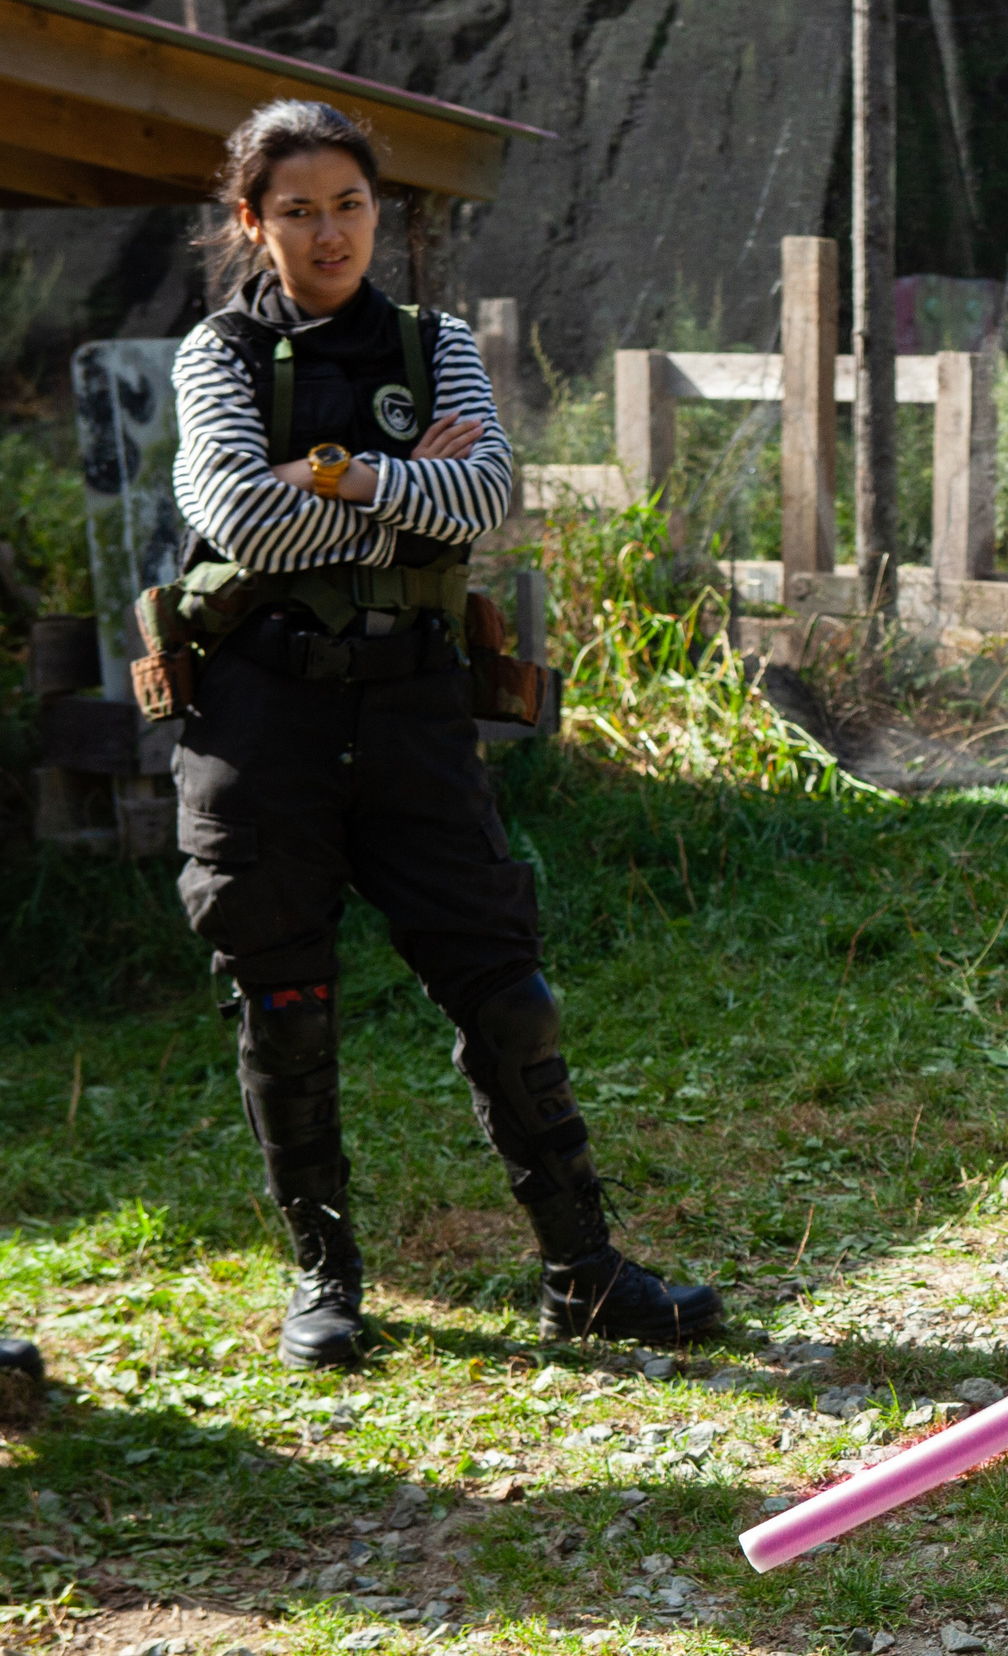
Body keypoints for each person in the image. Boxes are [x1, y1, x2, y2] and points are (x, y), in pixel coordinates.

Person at [165, 100, 721, 1368]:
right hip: (264, 719)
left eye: (349, 205)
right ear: (253, 222)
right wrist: (401, 503)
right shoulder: (217, 354)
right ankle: (327, 1280)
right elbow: (240, 517)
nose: (328, 233)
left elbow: (488, 491)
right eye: (296, 210)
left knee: (505, 989)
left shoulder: (435, 342)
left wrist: (348, 479)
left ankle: (583, 1270)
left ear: (381, 210)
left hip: (415, 711)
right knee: (287, 1000)